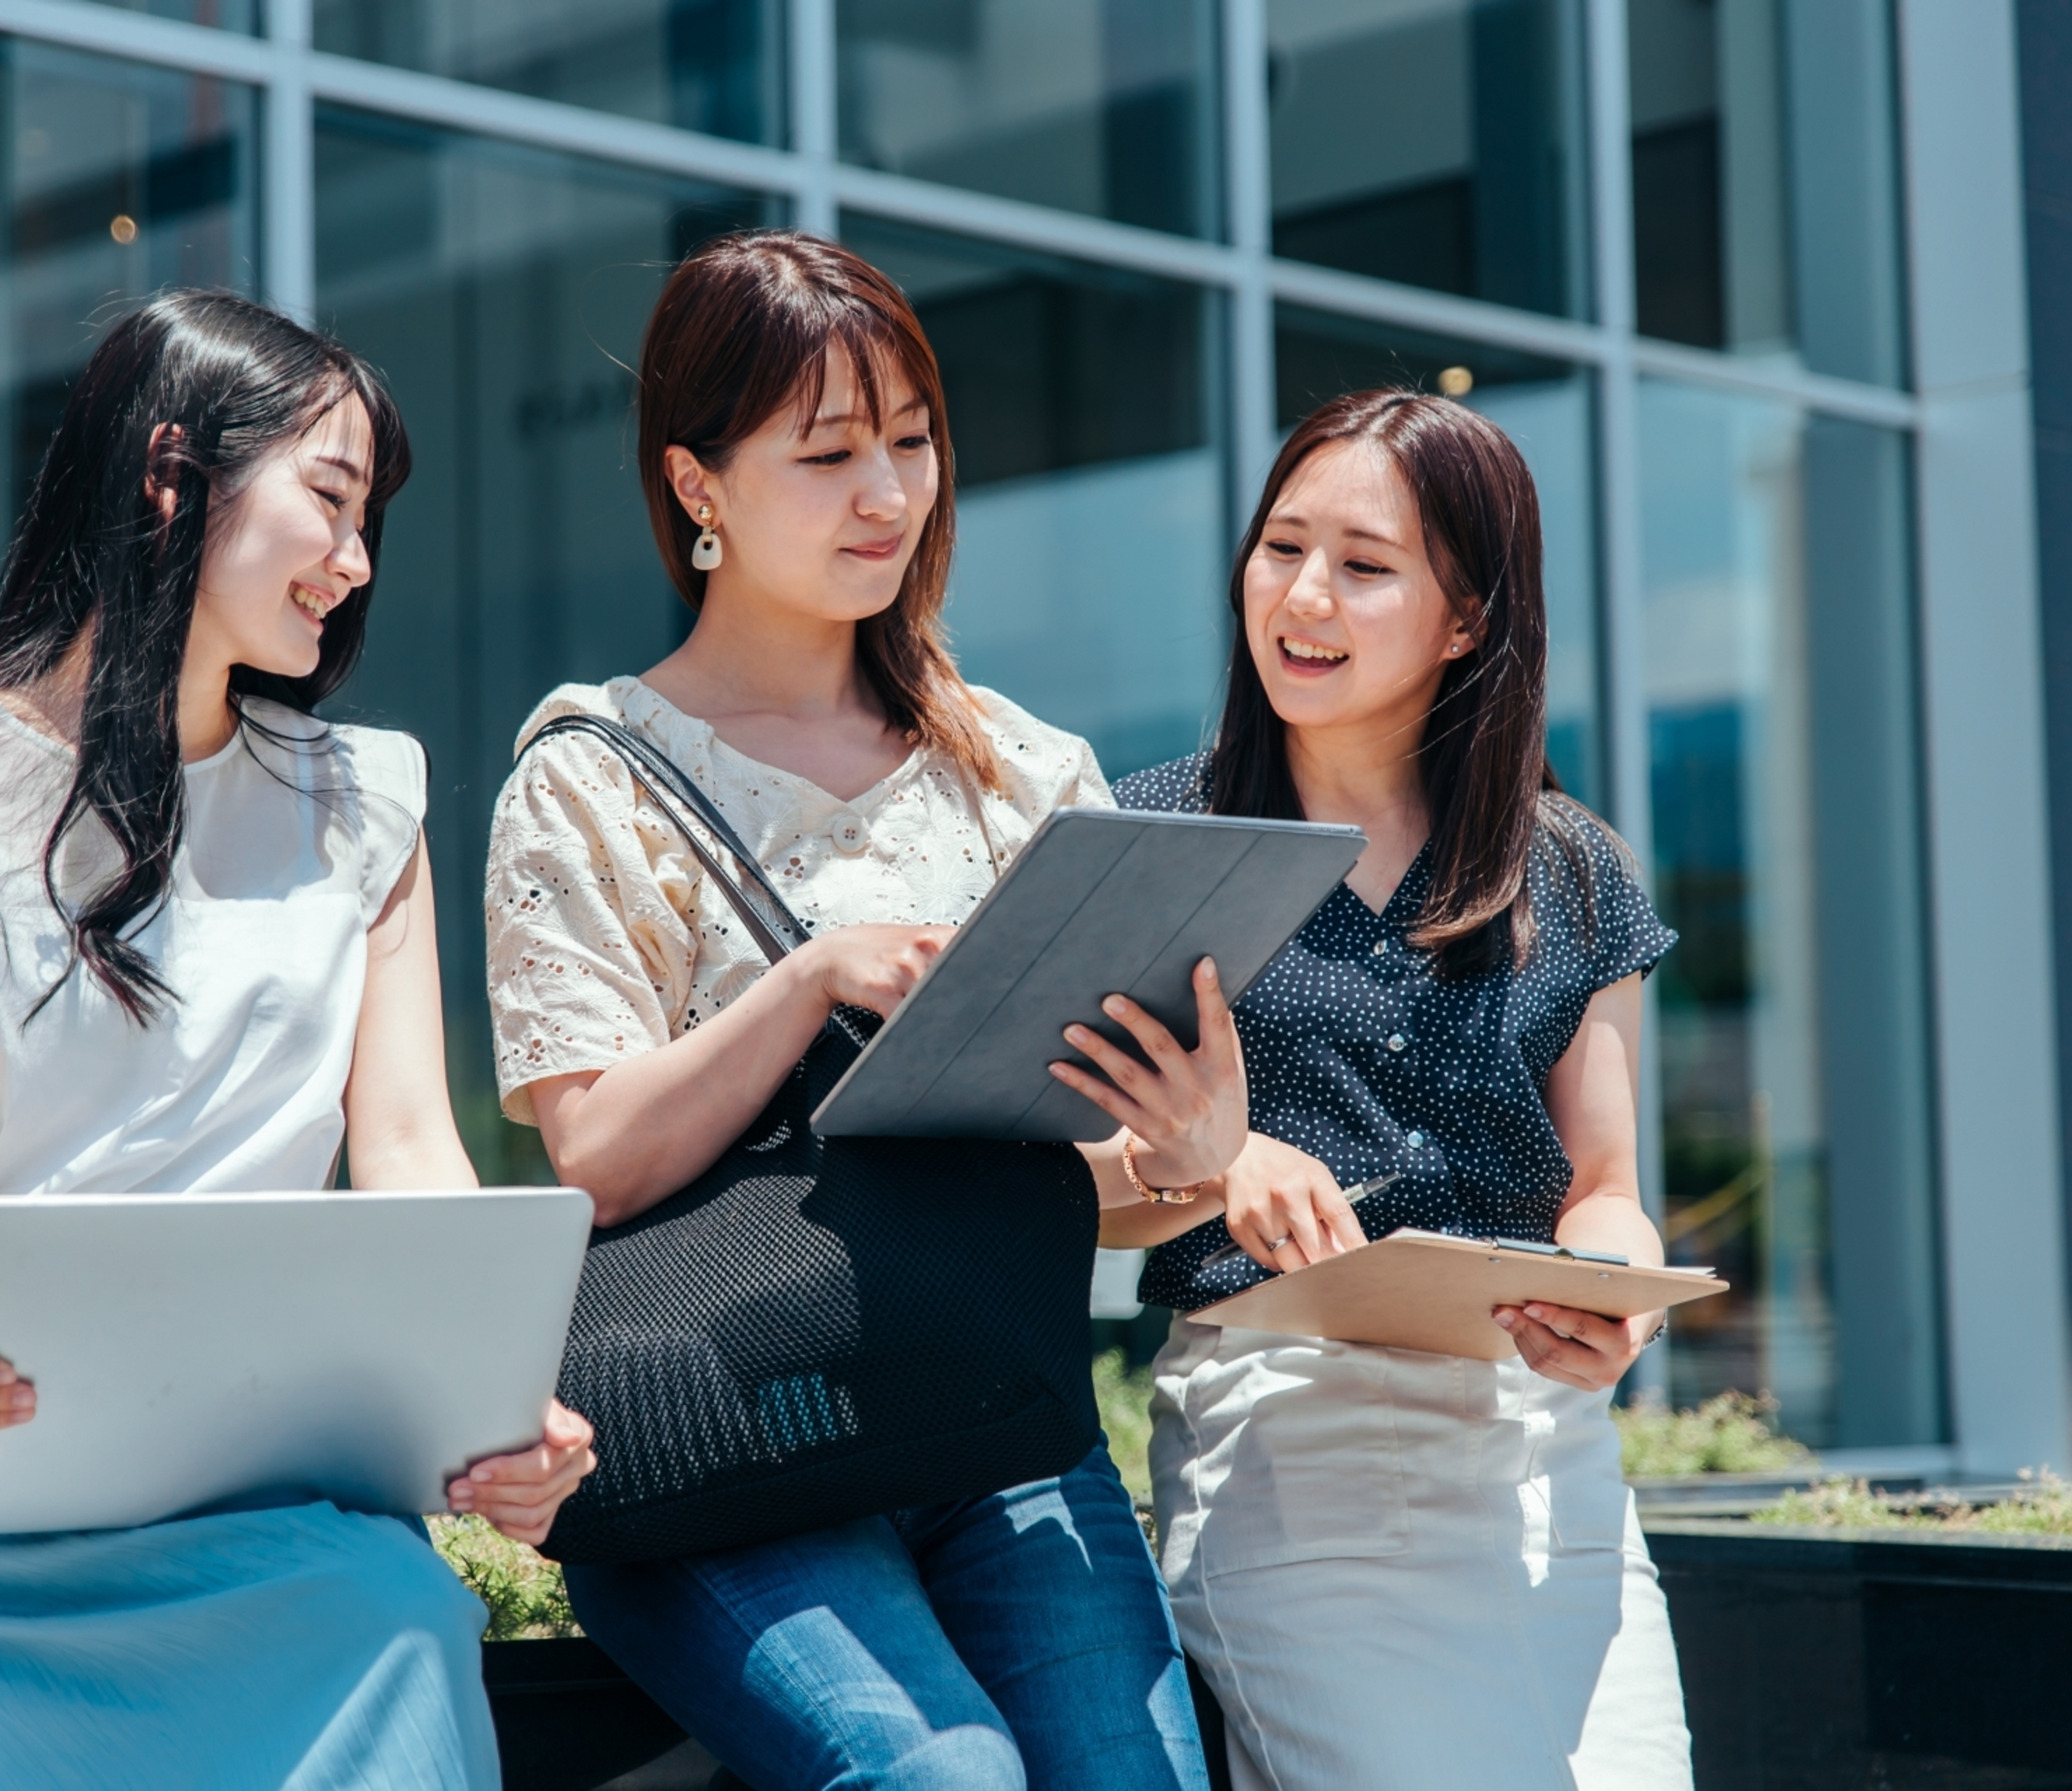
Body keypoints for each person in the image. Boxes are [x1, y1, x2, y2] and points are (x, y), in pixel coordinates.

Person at [0, 290, 595, 1789]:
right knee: (382, 1614)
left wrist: (497, 1393)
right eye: (330, 503)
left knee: (399, 1612)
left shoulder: (370, 798)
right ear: (171, 476)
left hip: (269, 1440)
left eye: (370, 525)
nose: (354, 564)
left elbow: (409, 1143)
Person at [486, 231, 1223, 1791]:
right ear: (699, 485)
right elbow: (593, 1157)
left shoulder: (1022, 771)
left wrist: (1196, 1157)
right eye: (828, 455)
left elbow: (1073, 1198)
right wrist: (813, 979)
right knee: (935, 1778)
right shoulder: (592, 775)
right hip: (726, 1439)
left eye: (910, 442)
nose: (890, 494)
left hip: (995, 1416)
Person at [1105, 389, 1696, 1790]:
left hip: (1543, 1460)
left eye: (1365, 565)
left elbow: (1605, 1193)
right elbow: (1051, 1173)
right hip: (1289, 1439)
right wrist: (1213, 1161)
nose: (1305, 596)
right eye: (1282, 547)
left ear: (1468, 618)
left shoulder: (1572, 867)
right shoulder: (1154, 836)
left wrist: (1612, 1303)